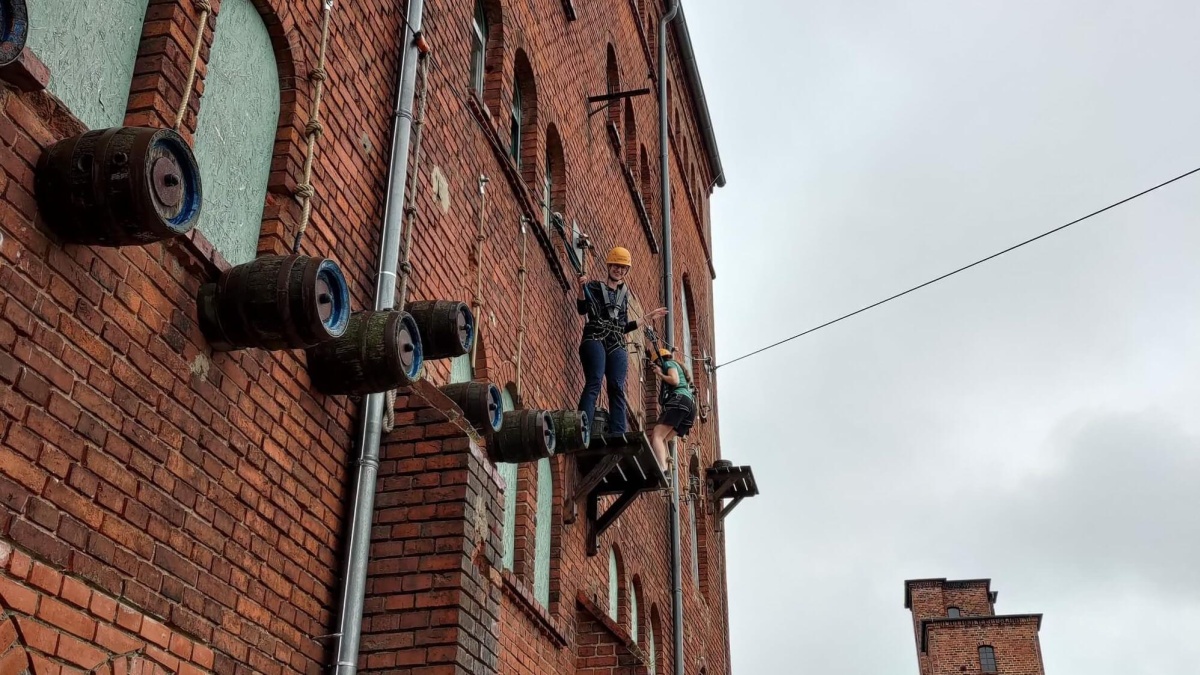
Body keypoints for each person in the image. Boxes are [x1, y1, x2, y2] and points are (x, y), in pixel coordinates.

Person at [576, 246, 666, 435]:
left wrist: (646, 318)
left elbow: (623, 326)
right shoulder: (594, 287)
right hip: (595, 337)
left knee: (617, 386)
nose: (619, 270)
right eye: (616, 266)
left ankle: (618, 433)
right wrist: (581, 289)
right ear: (609, 266)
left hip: (616, 341)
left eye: (623, 268)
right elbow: (583, 309)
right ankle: (583, 426)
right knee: (595, 379)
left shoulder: (623, 296)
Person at [648, 346, 696, 473]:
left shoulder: (669, 363)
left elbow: (674, 380)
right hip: (690, 407)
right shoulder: (678, 366)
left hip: (680, 400)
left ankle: (662, 469)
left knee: (657, 434)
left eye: (657, 363)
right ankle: (665, 469)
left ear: (660, 361)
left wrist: (659, 373)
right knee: (663, 438)